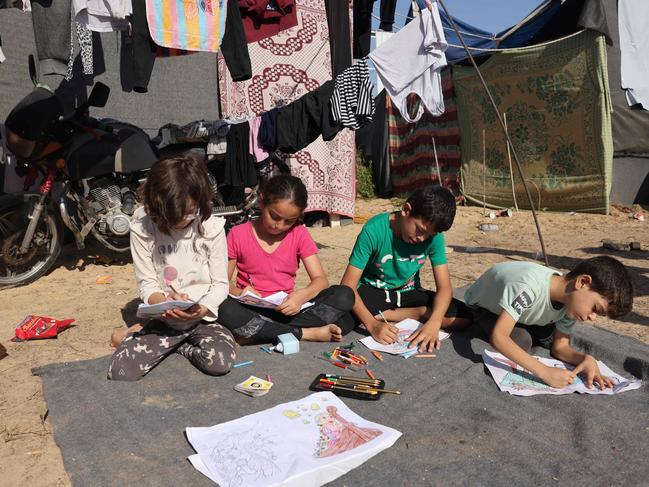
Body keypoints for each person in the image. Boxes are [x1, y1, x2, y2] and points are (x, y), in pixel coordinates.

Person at [108, 154, 236, 381]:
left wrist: (203, 308)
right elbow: (146, 284)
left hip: (202, 320)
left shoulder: (211, 227)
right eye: (175, 214)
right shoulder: (143, 228)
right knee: (122, 372)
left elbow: (220, 284)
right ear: (156, 205)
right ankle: (148, 337)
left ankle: (171, 346)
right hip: (162, 320)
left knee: (220, 363)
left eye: (191, 212)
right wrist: (165, 302)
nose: (183, 220)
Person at [218, 174, 355, 344]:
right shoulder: (238, 233)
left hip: (288, 310)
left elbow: (320, 281)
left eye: (288, 221)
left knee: (344, 295)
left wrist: (301, 297)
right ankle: (306, 334)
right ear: (262, 202)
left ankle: (260, 332)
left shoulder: (299, 233)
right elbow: (222, 281)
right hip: (251, 308)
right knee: (223, 307)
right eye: (274, 216)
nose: (279, 225)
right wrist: (240, 292)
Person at [464, 256, 634, 389]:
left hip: (526, 313)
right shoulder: (528, 287)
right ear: (582, 282)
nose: (592, 317)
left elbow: (559, 347)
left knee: (546, 339)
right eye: (595, 308)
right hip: (484, 307)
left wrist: (585, 358)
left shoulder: (570, 303)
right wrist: (544, 372)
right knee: (521, 341)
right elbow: (499, 338)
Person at [340, 185, 472, 351]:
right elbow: (347, 285)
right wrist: (372, 325)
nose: (421, 239)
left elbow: (444, 287)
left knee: (464, 317)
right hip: (375, 291)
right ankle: (383, 315)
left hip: (409, 292)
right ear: (405, 210)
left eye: (428, 235)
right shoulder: (374, 230)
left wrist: (434, 322)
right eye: (419, 230)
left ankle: (408, 313)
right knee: (339, 318)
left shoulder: (433, 238)